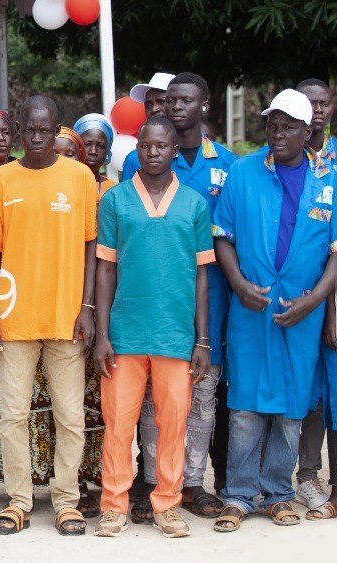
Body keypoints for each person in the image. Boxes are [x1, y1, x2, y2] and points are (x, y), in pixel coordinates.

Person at [211, 89, 337, 533]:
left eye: (287, 127)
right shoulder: (244, 172)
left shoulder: (329, 179)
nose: (277, 134)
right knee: (244, 407)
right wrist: (239, 284)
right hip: (251, 309)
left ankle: (279, 494)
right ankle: (240, 496)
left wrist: (314, 300)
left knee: (290, 407)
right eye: (271, 125)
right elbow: (221, 234)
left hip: (303, 314)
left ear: (307, 132)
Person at [0, 95, 97, 537]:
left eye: (46, 129)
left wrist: (86, 308)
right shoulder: (0, 180)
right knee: (13, 415)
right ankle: (19, 500)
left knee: (70, 416)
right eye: (30, 129)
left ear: (58, 128)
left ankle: (66, 501)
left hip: (66, 317)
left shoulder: (80, 178)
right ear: (20, 130)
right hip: (14, 317)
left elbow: (91, 247)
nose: (38, 137)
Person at [121, 72, 238, 521]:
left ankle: (192, 485)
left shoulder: (227, 164)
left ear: (204, 106)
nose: (175, 107)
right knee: (155, 402)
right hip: (155, 304)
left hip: (210, 299)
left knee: (203, 400)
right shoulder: (141, 162)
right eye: (169, 101)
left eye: (185, 100)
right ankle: (151, 482)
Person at [92, 117, 215, 538]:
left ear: (173, 151)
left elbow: (202, 276)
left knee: (173, 423)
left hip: (175, 335)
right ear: (136, 149)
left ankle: (167, 503)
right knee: (119, 424)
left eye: (162, 146)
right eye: (146, 146)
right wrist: (102, 334)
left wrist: (202, 339)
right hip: (125, 333)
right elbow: (104, 270)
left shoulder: (195, 204)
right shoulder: (116, 200)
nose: (154, 152)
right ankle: (114, 505)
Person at [52, 125, 106, 518]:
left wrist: (88, 306)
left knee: (83, 410)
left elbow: (98, 252)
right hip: (38, 312)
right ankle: (40, 487)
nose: (66, 158)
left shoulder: (95, 188)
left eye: (73, 152)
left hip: (81, 312)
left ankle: (82, 485)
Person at [296, 78, 337, 514]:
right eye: (310, 103)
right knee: (307, 394)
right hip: (301, 298)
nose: (318, 110)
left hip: (332, 295)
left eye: (324, 103)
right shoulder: (284, 160)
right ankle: (306, 475)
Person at [74, 113, 117, 200]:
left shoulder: (114, 190)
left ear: (107, 151)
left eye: (101, 146)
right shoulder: (63, 183)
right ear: (75, 145)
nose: (93, 151)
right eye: (87, 144)